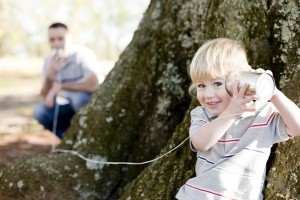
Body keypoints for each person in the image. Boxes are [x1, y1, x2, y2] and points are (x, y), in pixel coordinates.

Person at [176, 38, 300, 199]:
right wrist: (231, 113)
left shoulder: (263, 114)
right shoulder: (202, 114)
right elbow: (200, 143)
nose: (207, 94)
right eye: (201, 86)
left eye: (217, 84)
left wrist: (273, 92)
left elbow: (297, 127)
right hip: (199, 196)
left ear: (240, 81)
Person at [33, 22, 99, 139]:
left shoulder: (83, 54)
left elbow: (93, 85)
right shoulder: (49, 61)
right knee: (39, 111)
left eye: (60, 39)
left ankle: (87, 137)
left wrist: (61, 86)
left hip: (87, 104)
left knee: (79, 99)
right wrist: (49, 76)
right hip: (65, 106)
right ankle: (68, 140)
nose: (56, 44)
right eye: (52, 40)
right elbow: (43, 95)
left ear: (70, 38)